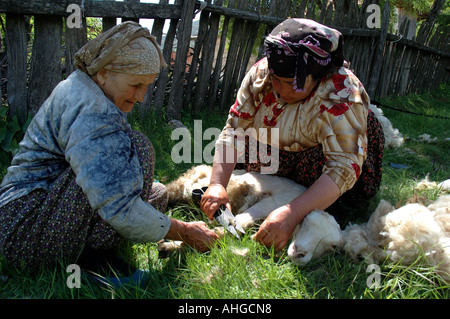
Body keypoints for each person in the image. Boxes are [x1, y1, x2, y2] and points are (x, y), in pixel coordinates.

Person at [0, 21, 219, 273]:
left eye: (147, 86)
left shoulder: (92, 89)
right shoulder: (89, 107)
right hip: (25, 230)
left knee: (157, 193)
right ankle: (96, 261)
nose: (141, 96)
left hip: (49, 211)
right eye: (136, 85)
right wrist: (184, 230)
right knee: (138, 148)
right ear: (104, 72)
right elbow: (114, 201)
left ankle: (93, 246)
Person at [200, 18, 384, 252]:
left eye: (291, 83)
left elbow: (342, 166)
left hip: (320, 161)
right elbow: (235, 130)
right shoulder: (262, 74)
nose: (280, 89)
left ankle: (314, 201)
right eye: (276, 79)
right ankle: (287, 195)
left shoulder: (342, 91)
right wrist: (217, 184)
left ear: (317, 75)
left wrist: (293, 212)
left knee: (342, 193)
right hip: (274, 154)